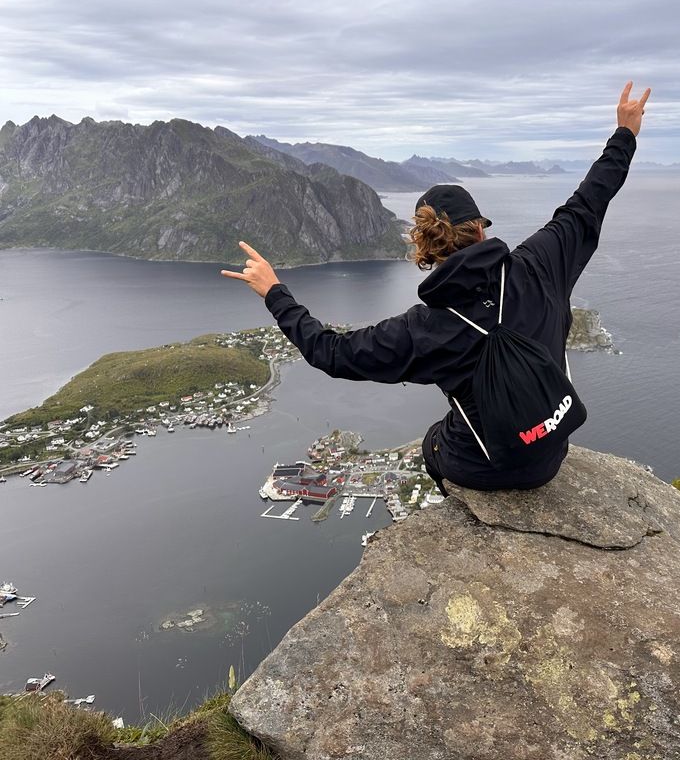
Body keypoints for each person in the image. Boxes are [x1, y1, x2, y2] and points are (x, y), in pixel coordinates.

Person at [221, 82, 651, 495]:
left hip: (485, 468)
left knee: (434, 443)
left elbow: (330, 353)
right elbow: (588, 201)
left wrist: (274, 291)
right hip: (551, 454)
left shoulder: (424, 329)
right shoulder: (539, 265)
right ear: (481, 231)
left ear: (425, 251)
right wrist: (624, 133)